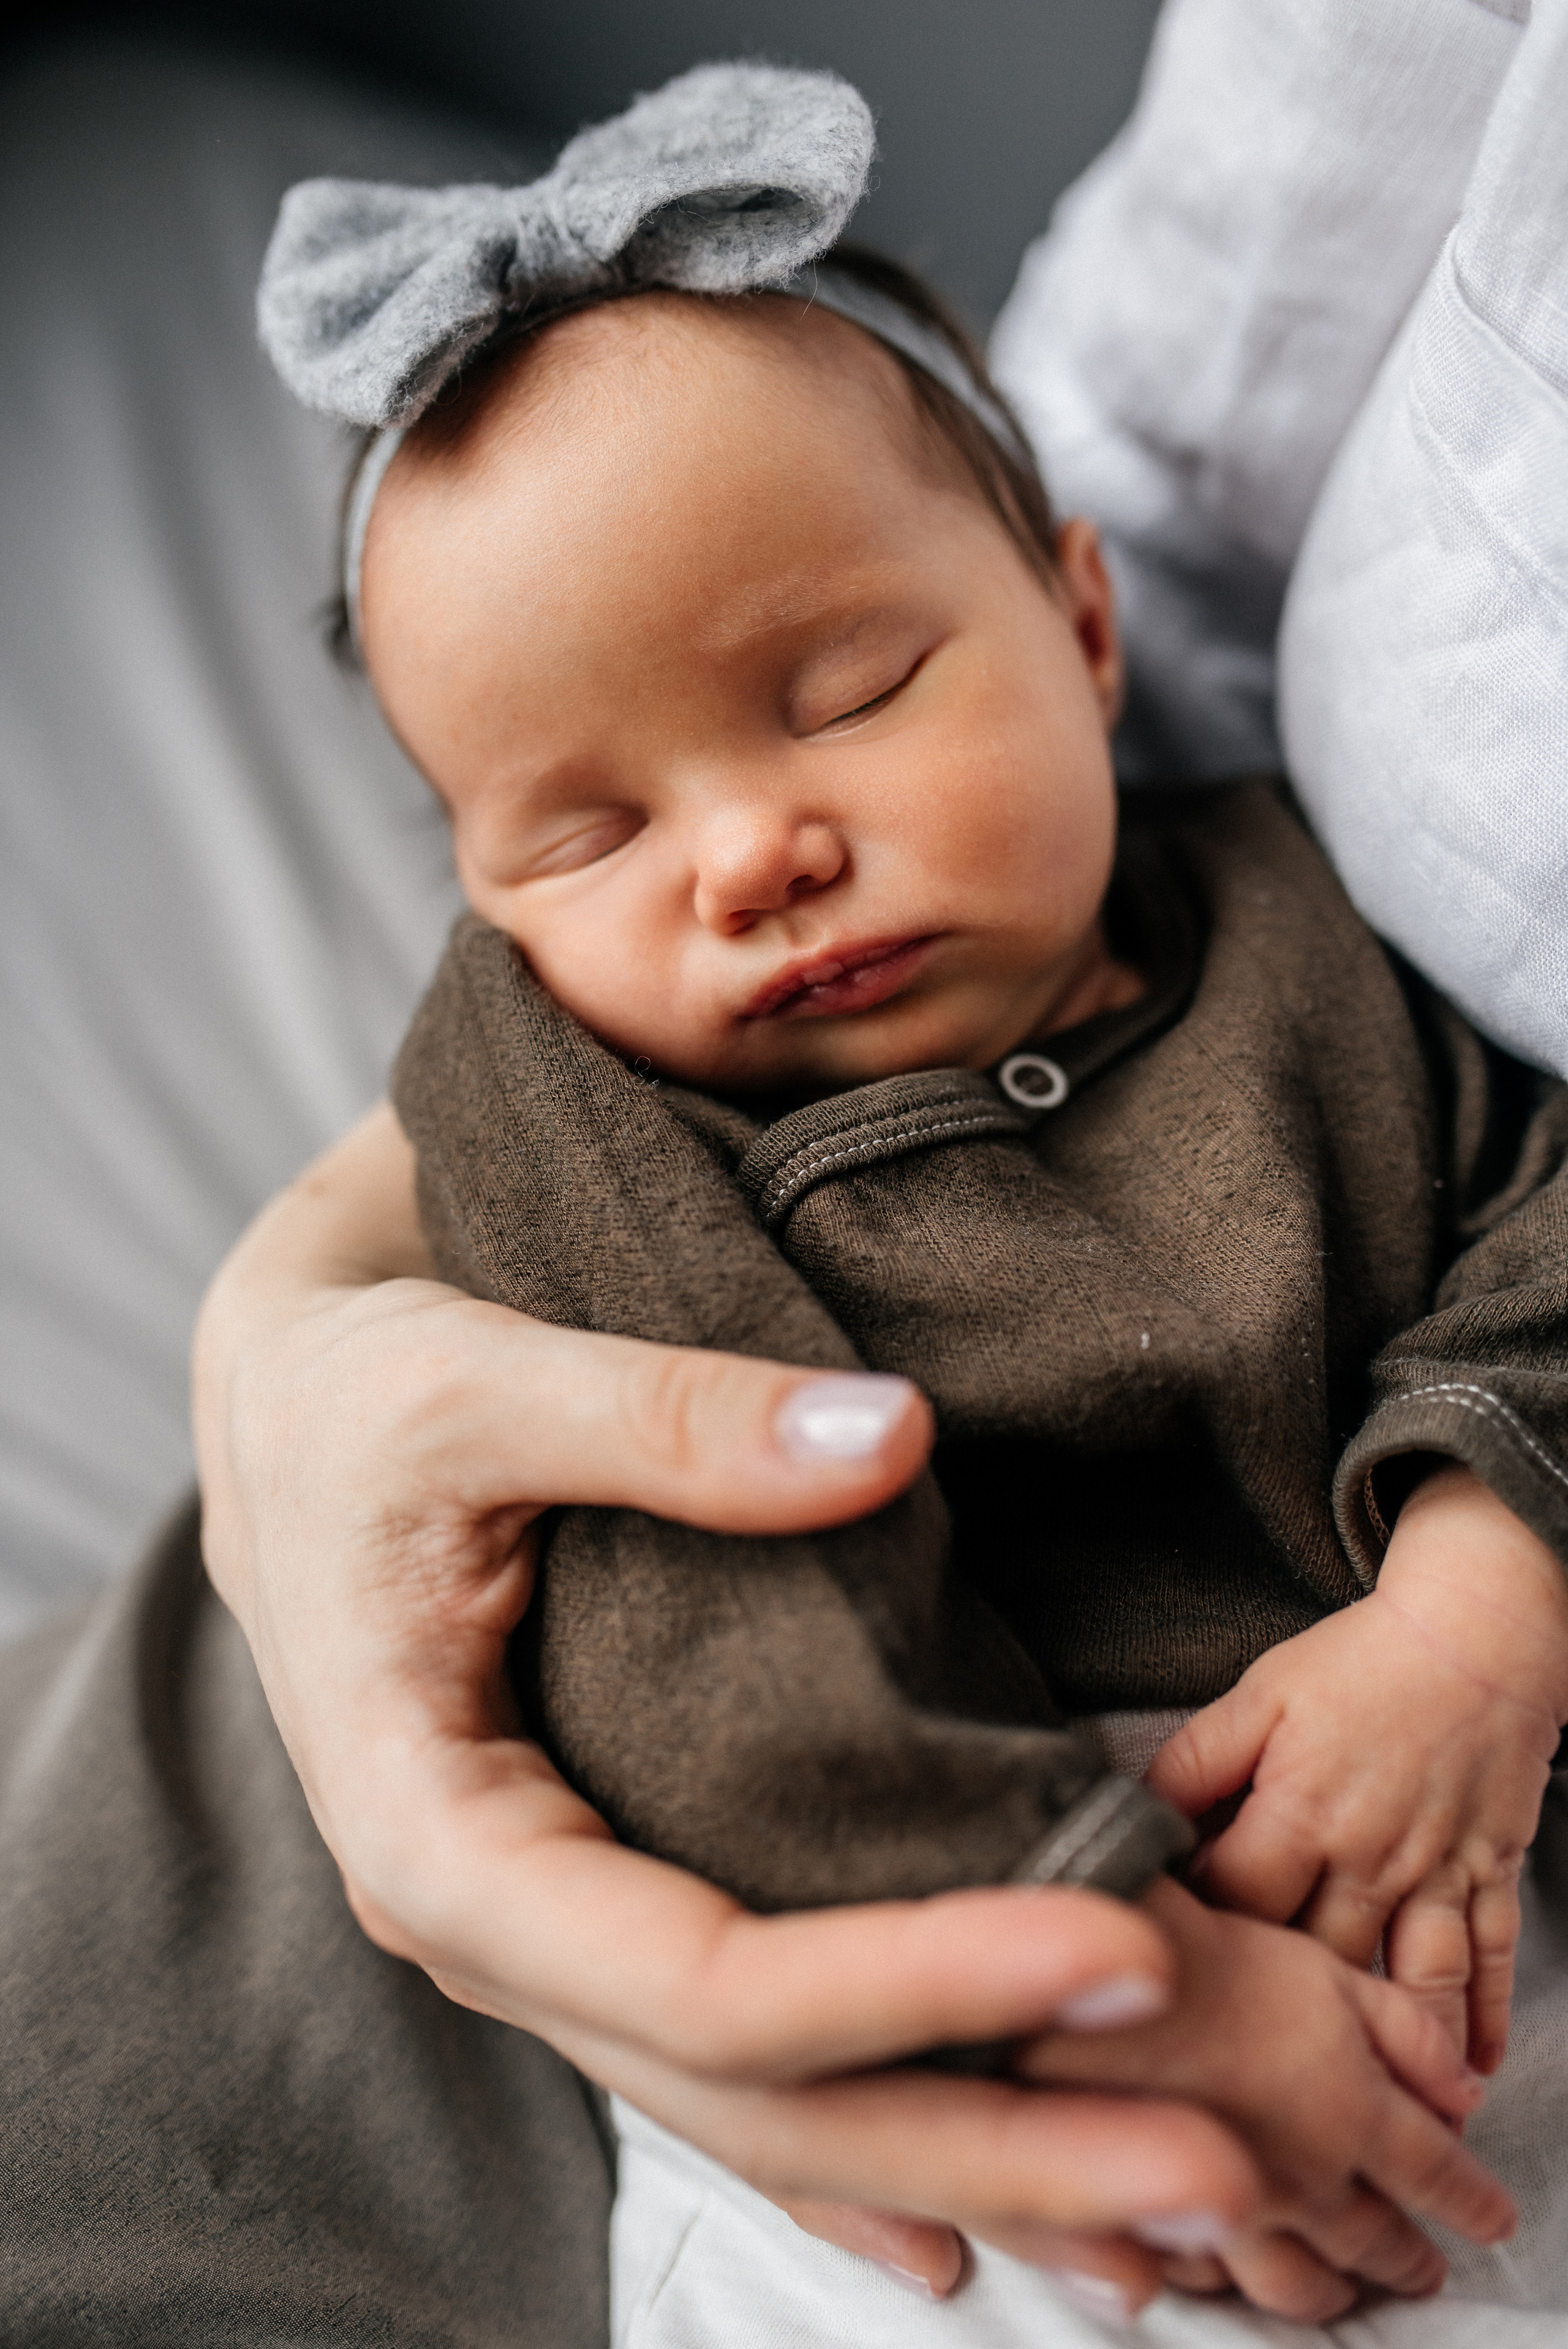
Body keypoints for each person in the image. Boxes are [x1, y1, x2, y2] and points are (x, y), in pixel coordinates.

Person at [252, 63, 1559, 2336]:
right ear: (482, 901)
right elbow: (684, 1609)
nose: (750, 852)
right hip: (915, 1961)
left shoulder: (1291, 915)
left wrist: (1476, 1595)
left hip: (1453, 1848)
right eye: (582, 836)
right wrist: (1084, 1953)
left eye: (847, 690)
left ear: (1082, 626)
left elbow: (1543, 1221)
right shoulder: (578, 1102)